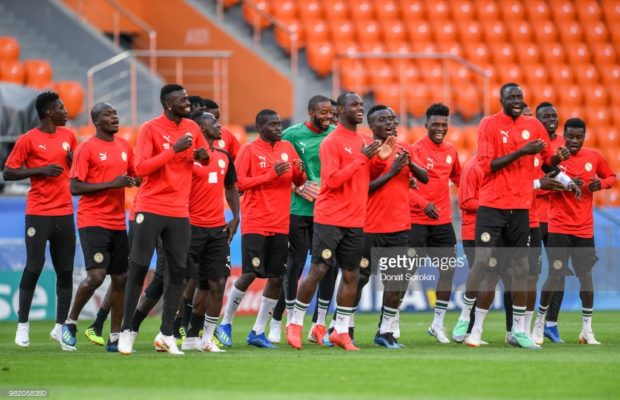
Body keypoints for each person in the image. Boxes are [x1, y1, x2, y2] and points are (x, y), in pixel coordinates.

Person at [451, 82, 569, 349]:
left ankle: (518, 331)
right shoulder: (489, 124)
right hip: (492, 206)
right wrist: (521, 152)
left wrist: (556, 160)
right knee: (483, 264)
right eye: (511, 97)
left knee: (521, 269)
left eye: (519, 96)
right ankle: (465, 318)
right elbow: (487, 166)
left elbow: (546, 163)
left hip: (522, 209)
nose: (516, 100)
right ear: (501, 99)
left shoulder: (535, 126)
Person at [285, 92, 393, 351]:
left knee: (351, 274)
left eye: (361, 104)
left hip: (356, 218)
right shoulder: (331, 142)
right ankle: (295, 324)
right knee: (319, 269)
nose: (360, 108)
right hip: (330, 217)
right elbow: (331, 181)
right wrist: (363, 157)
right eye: (354, 105)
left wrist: (381, 159)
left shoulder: (365, 140)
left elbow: (369, 175)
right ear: (341, 111)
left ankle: (341, 331)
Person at [118, 84, 209, 356]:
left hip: (179, 210)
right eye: (182, 100)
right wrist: (174, 149)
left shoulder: (192, 129)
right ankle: (126, 333)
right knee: (138, 268)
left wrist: (202, 158)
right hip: (150, 205)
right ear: (168, 105)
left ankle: (167, 334)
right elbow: (141, 168)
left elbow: (201, 164)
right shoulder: (150, 128)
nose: (188, 103)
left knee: (178, 271)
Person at [216, 109, 306, 349]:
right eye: (273, 125)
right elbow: (239, 185)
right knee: (250, 274)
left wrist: (298, 171)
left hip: (280, 222)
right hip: (256, 221)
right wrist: (270, 174)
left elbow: (298, 181)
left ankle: (257, 330)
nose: (278, 128)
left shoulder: (287, 148)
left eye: (279, 124)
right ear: (261, 127)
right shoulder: (248, 150)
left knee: (277, 277)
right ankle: (225, 322)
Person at [61, 103, 137, 352]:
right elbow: (75, 187)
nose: (114, 117)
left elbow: (136, 175)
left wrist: (136, 179)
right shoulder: (86, 148)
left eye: (115, 114)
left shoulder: (125, 146)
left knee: (121, 277)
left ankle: (115, 338)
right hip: (92, 220)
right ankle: (69, 323)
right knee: (96, 276)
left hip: (117, 220)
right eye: (108, 114)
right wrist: (112, 183)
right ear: (96, 121)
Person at [534, 118, 616, 345]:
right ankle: (539, 324)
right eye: (570, 136)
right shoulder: (558, 158)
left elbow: (611, 176)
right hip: (559, 227)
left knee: (586, 278)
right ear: (564, 135)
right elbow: (545, 173)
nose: (574, 141)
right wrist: (565, 181)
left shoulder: (594, 157)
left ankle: (587, 330)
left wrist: (602, 184)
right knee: (555, 274)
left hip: (584, 229)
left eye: (579, 137)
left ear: (584, 136)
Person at [5, 91, 77, 350]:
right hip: (38, 212)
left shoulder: (69, 136)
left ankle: (59, 328)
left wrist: (73, 162)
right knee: (34, 266)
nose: (66, 111)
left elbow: (75, 170)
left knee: (65, 271)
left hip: (65, 212)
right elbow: (8, 172)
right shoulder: (28, 139)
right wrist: (39, 170)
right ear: (49, 112)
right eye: (61, 107)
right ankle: (22, 325)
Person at [356, 104, 427, 349]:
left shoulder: (405, 149)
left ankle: (385, 332)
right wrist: (393, 171)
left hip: (398, 227)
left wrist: (410, 166)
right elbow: (365, 189)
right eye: (383, 120)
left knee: (396, 280)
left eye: (392, 119)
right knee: (360, 278)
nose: (390, 123)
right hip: (369, 226)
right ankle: (344, 327)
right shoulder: (367, 150)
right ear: (372, 125)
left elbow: (425, 178)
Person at [267, 95, 335, 345]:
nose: (328, 116)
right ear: (310, 112)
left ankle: (319, 325)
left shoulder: (336, 135)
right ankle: (279, 321)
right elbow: (277, 163)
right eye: (323, 112)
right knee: (293, 266)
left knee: (328, 267)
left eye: (330, 112)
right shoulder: (292, 135)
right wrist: (298, 187)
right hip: (299, 211)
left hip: (328, 213)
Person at [180, 111, 239, 352]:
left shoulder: (224, 156)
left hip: (217, 230)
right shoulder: (186, 158)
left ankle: (206, 339)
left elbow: (231, 188)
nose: (219, 124)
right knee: (188, 282)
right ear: (201, 129)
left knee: (217, 283)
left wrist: (235, 217)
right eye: (213, 122)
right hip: (190, 227)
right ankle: (177, 332)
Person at [408, 103, 461, 344]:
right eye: (436, 124)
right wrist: (422, 203)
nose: (440, 128)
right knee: (406, 272)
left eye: (444, 124)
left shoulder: (451, 150)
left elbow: (460, 178)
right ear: (426, 124)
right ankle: (392, 322)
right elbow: (403, 186)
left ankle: (438, 324)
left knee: (448, 270)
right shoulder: (415, 150)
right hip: (416, 220)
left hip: (442, 222)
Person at [532, 102, 566, 343]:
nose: (551, 119)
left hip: (559, 219)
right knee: (529, 273)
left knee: (558, 272)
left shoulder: (566, 143)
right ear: (537, 120)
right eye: (545, 116)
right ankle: (519, 325)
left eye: (554, 115)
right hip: (533, 216)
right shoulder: (533, 144)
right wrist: (544, 186)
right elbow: (527, 181)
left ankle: (549, 324)